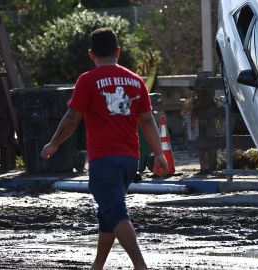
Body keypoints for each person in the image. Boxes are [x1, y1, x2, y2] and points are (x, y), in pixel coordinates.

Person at [40, 27, 168, 270]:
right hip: (130, 160)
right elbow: (148, 120)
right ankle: (97, 265)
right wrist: (159, 153)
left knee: (116, 213)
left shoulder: (87, 80)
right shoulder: (135, 80)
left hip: (104, 161)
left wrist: (53, 143)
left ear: (91, 54)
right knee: (108, 214)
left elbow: (71, 119)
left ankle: (140, 266)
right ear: (118, 51)